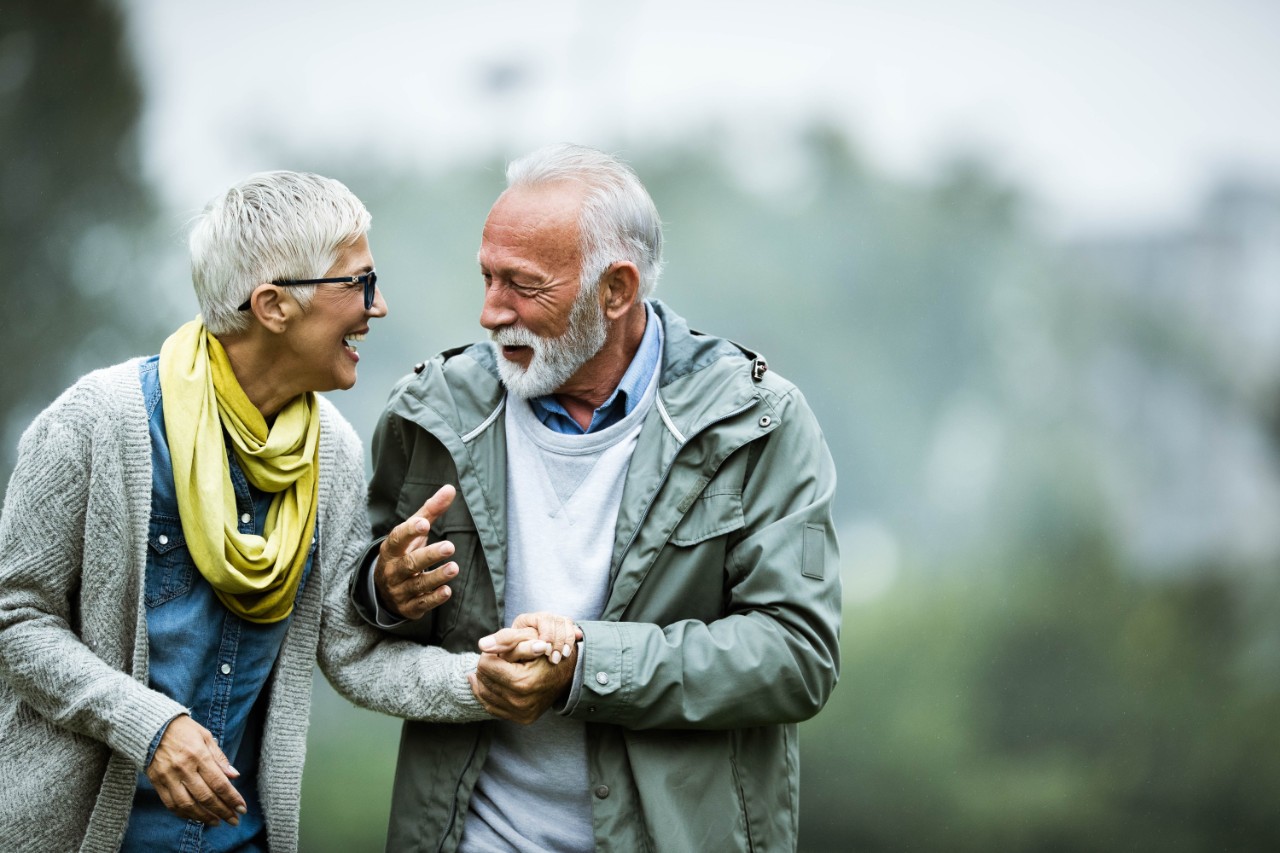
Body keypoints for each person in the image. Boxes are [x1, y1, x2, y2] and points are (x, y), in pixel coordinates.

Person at [0, 171, 536, 852]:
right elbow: (15, 616)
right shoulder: (94, 423)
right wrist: (150, 725)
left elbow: (352, 653)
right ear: (274, 305)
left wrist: (486, 679)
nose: (379, 307)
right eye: (361, 284)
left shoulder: (332, 454)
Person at [354, 144, 843, 852]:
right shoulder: (427, 413)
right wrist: (384, 588)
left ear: (616, 290)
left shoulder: (758, 420)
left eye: (523, 285)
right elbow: (361, 624)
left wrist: (588, 666)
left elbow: (797, 655)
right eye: (487, 278)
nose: (492, 313)